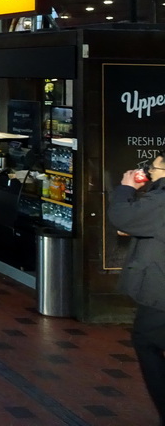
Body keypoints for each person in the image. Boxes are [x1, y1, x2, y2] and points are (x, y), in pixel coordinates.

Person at [107, 152, 165, 423]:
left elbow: (122, 218)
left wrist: (126, 189)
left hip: (161, 290)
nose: (150, 171)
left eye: (154, 167)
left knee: (146, 341)